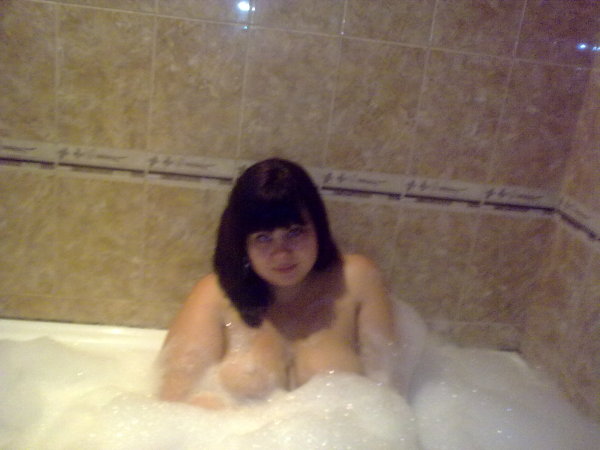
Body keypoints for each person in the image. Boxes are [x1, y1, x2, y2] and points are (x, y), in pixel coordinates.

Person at [157, 158, 414, 409]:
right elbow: (175, 403)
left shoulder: (356, 280)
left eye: (294, 232)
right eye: (263, 238)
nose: (282, 254)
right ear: (243, 245)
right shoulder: (215, 295)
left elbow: (389, 395)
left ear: (318, 228)